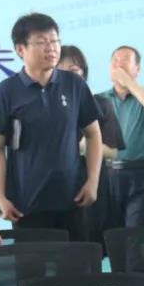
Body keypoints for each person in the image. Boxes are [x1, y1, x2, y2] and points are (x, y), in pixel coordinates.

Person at [0, 13, 102, 240]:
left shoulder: (74, 84)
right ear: (21, 49)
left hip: (73, 198)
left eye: (54, 41)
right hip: (27, 203)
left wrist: (92, 181)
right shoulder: (5, 92)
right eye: (42, 42)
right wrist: (0, 195)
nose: (51, 48)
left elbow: (93, 134)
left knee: (78, 260)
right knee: (33, 262)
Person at [58, 45, 124, 242]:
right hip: (59, 184)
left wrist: (83, 147)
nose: (68, 76)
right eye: (61, 70)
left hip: (92, 182)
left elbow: (112, 151)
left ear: (83, 73)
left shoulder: (100, 104)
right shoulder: (46, 106)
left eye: (74, 70)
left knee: (90, 240)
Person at [96, 46, 144, 228]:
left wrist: (128, 82)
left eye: (125, 60)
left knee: (136, 232)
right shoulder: (100, 99)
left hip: (142, 174)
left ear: (137, 70)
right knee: (110, 233)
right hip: (108, 173)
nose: (118, 65)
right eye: (115, 61)